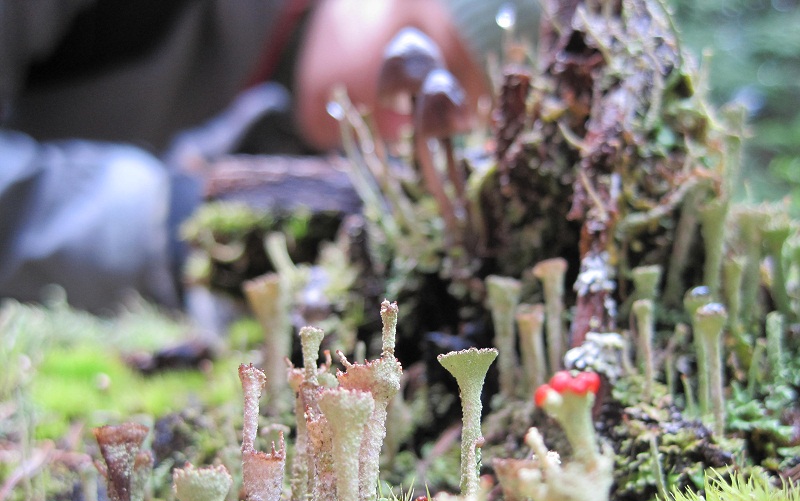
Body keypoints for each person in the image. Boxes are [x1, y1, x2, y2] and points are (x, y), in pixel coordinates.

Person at [0, 0, 538, 313]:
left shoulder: (280, 114)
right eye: (420, 53)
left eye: (452, 118)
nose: (406, 130)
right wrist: (154, 224)